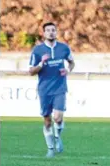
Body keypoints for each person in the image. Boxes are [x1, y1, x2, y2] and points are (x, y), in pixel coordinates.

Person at [29, 22, 74, 158]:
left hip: (60, 87)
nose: (51, 32)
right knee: (48, 120)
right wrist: (41, 64)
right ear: (43, 33)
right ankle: (50, 149)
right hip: (44, 89)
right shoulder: (37, 51)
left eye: (53, 30)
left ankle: (57, 137)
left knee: (58, 118)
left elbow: (72, 62)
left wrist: (67, 70)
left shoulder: (64, 48)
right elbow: (31, 71)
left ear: (56, 32)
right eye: (48, 30)